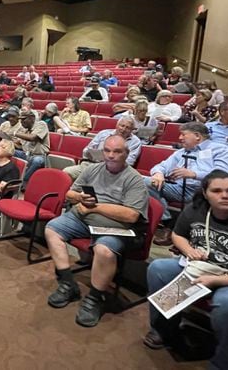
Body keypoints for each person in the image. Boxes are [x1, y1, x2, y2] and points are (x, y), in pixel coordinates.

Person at [144, 171, 228, 369]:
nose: (224, 195)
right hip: (207, 271)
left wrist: (215, 281)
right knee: (159, 268)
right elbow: (177, 235)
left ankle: (223, 363)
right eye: (216, 191)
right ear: (205, 193)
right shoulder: (196, 210)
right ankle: (163, 330)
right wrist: (189, 250)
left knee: (227, 300)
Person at [45, 135, 149, 327]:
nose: (111, 155)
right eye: (107, 150)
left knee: (103, 250)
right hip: (83, 218)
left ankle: (94, 298)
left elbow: (131, 216)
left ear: (126, 154)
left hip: (115, 227)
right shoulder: (93, 169)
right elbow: (70, 193)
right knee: (52, 229)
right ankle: (68, 283)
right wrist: (80, 197)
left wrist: (96, 206)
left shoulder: (134, 179)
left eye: (117, 151)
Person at [146, 122, 228, 245]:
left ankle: (174, 228)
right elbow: (161, 166)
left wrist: (194, 174)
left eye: (183, 135)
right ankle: (168, 221)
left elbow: (225, 175)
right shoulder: (182, 152)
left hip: (205, 191)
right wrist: (158, 174)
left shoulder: (221, 150)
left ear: (197, 136)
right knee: (142, 182)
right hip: (179, 188)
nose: (180, 138)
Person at [63, 117, 141, 179]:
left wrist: (110, 161)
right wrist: (90, 153)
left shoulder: (135, 142)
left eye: (127, 128)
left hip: (113, 172)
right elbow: (87, 149)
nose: (123, 129)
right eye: (122, 125)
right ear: (117, 125)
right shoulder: (104, 133)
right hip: (91, 164)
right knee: (66, 172)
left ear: (131, 130)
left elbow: (129, 162)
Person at [16, 110, 50, 188]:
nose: (21, 122)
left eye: (24, 119)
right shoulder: (24, 129)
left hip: (39, 155)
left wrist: (16, 134)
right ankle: (11, 177)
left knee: (37, 161)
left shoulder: (41, 124)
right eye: (20, 119)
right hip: (26, 154)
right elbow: (18, 144)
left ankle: (22, 181)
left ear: (32, 118)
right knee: (11, 152)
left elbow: (33, 138)